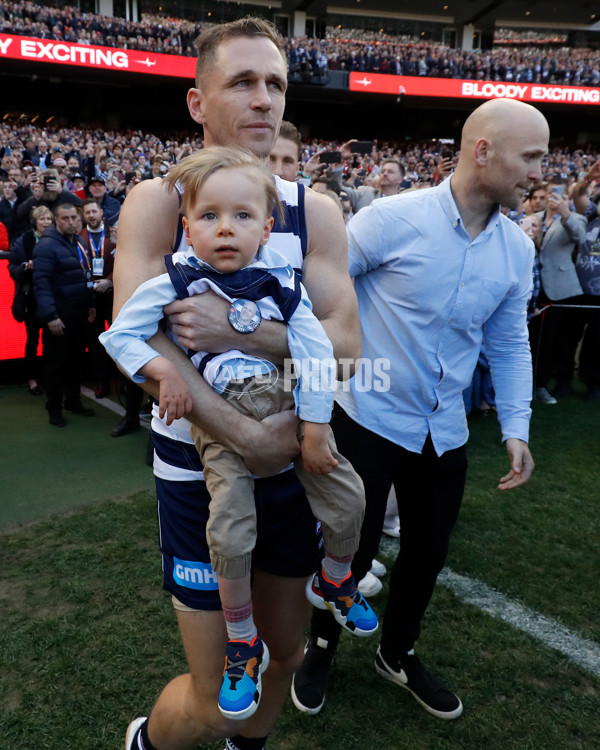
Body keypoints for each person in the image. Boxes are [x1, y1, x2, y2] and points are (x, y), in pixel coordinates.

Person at [112, 18, 360, 750]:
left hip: (292, 462)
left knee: (282, 655)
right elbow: (143, 342)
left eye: (275, 84)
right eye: (242, 83)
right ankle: (149, 744)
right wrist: (252, 436)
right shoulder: (159, 201)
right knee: (220, 683)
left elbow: (345, 343)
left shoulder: (313, 211)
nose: (263, 100)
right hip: (203, 467)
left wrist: (241, 331)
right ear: (197, 103)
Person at [291, 97, 546, 721]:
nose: (540, 171)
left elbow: (510, 342)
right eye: (531, 156)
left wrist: (516, 426)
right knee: (348, 549)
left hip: (445, 430)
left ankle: (397, 652)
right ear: (483, 151)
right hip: (367, 416)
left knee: (428, 551)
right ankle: (319, 649)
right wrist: (312, 402)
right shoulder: (390, 219)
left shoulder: (516, 250)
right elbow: (316, 297)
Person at [32, 203, 96, 427]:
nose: (71, 222)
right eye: (65, 218)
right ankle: (54, 408)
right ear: (55, 220)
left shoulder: (79, 241)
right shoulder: (46, 247)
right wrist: (51, 316)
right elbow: (41, 284)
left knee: (76, 362)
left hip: (79, 314)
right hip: (59, 316)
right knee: (56, 365)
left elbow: (86, 273)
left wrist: (90, 303)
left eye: (73, 218)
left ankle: (73, 401)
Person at [8, 205, 54, 395]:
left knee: (52, 342)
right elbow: (12, 268)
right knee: (33, 340)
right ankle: (32, 379)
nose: (46, 222)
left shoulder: (57, 238)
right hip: (31, 298)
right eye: (42, 219)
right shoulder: (24, 240)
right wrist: (27, 267)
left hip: (54, 297)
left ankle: (50, 378)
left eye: (49, 219)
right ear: (35, 221)